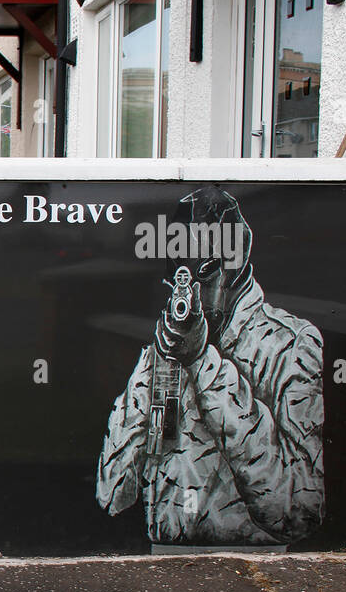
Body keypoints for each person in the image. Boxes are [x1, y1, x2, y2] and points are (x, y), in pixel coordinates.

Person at [96, 188, 324, 546]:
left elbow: (298, 510)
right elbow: (112, 492)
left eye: (201, 277)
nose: (188, 296)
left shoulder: (288, 344)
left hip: (254, 568)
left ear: (232, 266)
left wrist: (203, 362)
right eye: (177, 282)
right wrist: (157, 361)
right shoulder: (172, 339)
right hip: (163, 556)